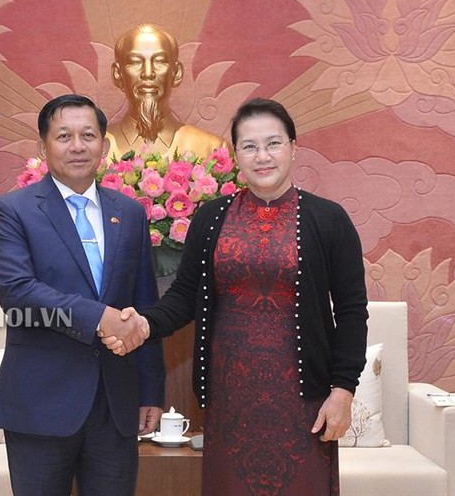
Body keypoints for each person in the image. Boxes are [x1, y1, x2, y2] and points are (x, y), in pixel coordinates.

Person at [104, 98, 368, 495]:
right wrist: (144, 323)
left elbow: (351, 312)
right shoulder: (212, 218)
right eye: (249, 146)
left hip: (305, 400)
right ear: (235, 155)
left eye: (273, 143)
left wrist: (343, 390)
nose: (262, 156)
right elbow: (184, 296)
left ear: (294, 147)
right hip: (231, 399)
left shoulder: (328, 220)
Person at [0, 94, 165, 496]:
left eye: (88, 135)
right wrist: (98, 317)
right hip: (40, 401)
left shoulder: (130, 212)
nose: (78, 145)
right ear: (43, 146)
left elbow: (145, 304)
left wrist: (151, 391)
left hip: (115, 403)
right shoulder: (13, 211)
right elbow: (16, 292)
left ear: (104, 143)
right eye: (64, 135)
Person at [107, 23, 228, 161]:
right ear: (117, 74)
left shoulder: (212, 150)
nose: (148, 73)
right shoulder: (95, 152)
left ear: (177, 73)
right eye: (135, 62)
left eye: (159, 61)